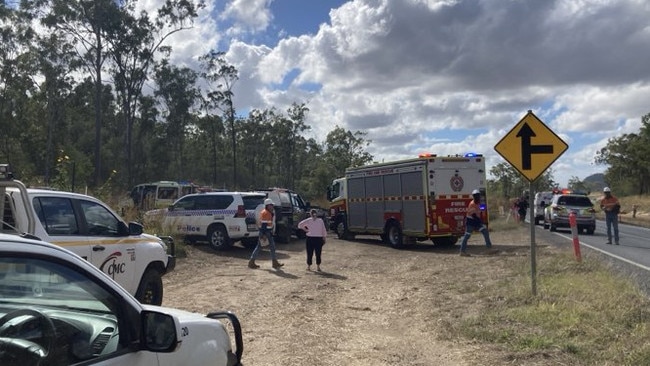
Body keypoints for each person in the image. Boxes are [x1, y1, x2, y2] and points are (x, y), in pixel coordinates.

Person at [248, 198, 284, 269]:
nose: (272, 206)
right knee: (263, 247)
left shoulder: (267, 212)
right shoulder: (266, 213)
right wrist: (264, 235)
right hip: (266, 232)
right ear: (267, 205)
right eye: (271, 205)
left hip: (266, 232)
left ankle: (274, 262)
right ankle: (252, 262)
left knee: (269, 247)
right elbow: (264, 225)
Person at [459, 189, 492, 256]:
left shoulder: (480, 203)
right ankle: (462, 251)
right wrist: (481, 223)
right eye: (475, 196)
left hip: (476, 221)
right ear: (473, 197)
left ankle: (489, 249)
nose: (477, 197)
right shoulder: (472, 204)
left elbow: (482, 211)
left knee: (485, 232)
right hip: (471, 222)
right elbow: (474, 216)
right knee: (467, 236)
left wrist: (483, 220)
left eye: (478, 196)